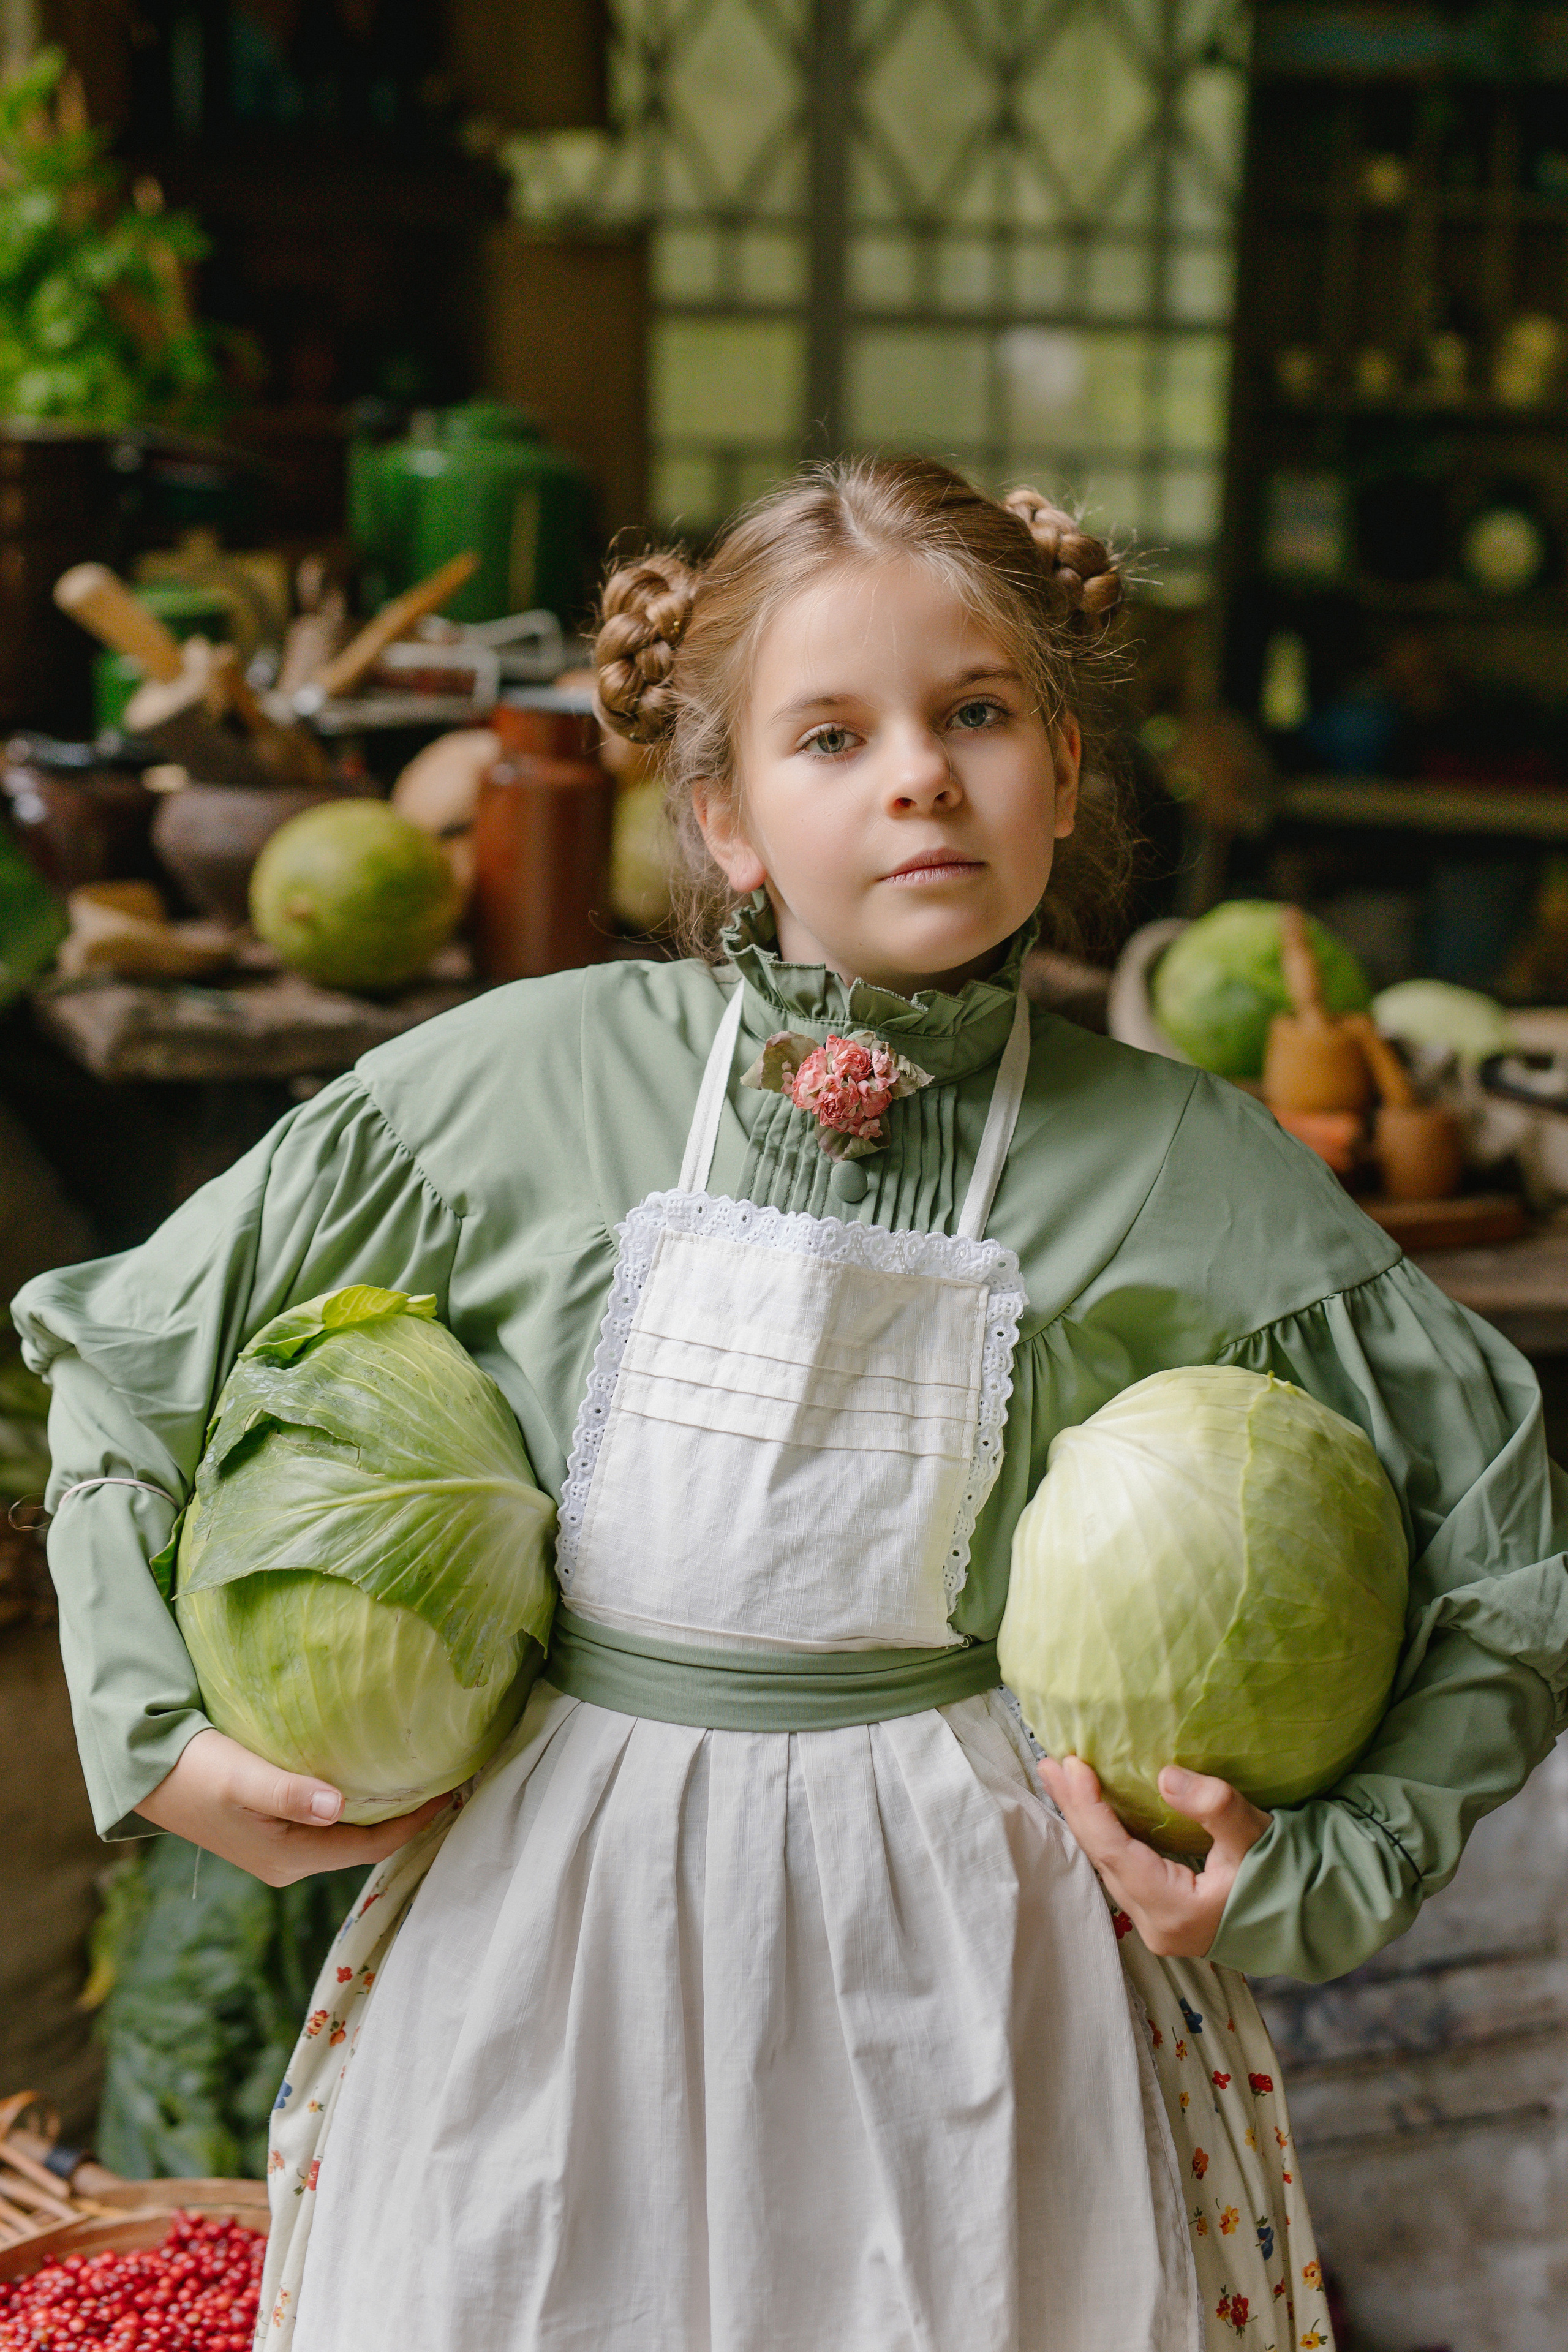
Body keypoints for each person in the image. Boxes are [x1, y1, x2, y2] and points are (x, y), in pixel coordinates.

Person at [15, 457, 1567, 2352]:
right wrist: (153, 1729)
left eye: (977, 715)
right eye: (833, 735)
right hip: (550, 1952)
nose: (921, 776)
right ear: (726, 819)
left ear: (1066, 773)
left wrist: (1332, 1861)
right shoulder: (523, 1085)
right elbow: (131, 1352)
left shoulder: (1185, 1165)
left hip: (990, 1983)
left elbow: (1510, 1540)